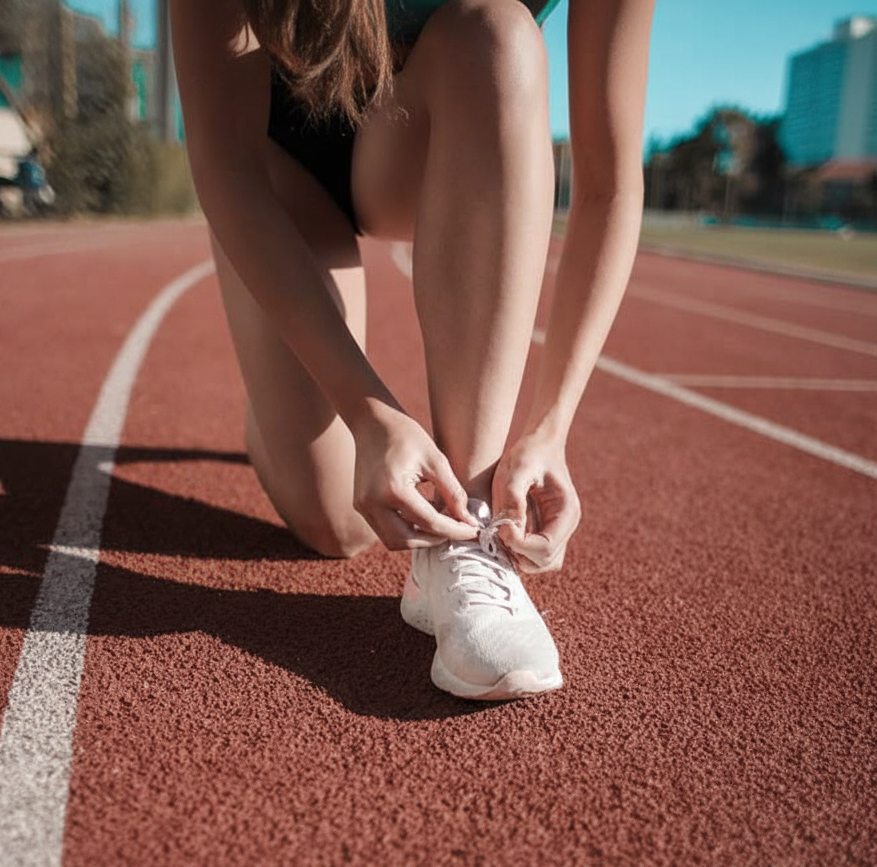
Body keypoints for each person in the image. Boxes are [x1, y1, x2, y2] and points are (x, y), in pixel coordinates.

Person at [170, 0, 655, 699]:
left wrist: (552, 428)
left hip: (416, 134)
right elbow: (226, 163)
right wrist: (367, 416)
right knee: (338, 523)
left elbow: (609, 184)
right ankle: (273, 410)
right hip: (279, 157)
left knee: (496, 35)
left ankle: (468, 533)